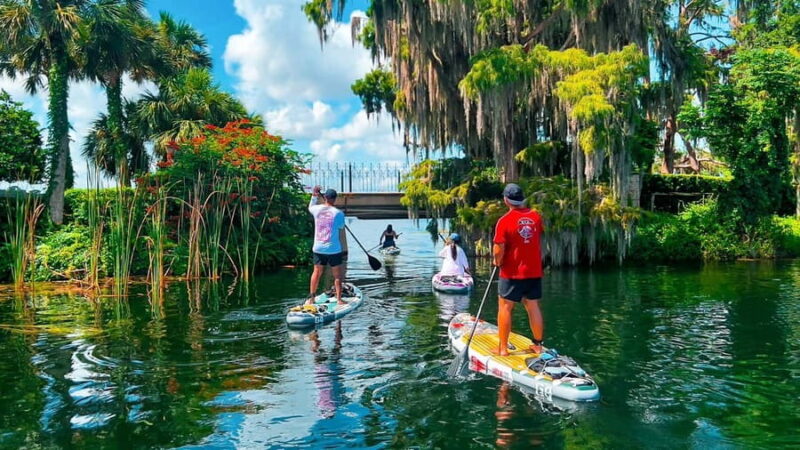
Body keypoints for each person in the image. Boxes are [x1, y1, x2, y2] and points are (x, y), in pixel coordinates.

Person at [492, 183, 545, 356]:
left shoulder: (504, 221)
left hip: (511, 272)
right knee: (533, 305)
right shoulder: (536, 216)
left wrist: (497, 261)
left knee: (505, 307)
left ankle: (503, 349)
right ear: (522, 199)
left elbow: (498, 248)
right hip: (534, 271)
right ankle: (538, 345)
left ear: (506, 200)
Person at [307, 186, 347, 306]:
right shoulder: (338, 213)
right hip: (333, 249)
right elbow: (340, 227)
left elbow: (310, 206)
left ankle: (312, 298)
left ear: (325, 197)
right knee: (337, 275)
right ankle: (339, 299)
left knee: (316, 272)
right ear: (335, 199)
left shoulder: (316, 210)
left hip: (318, 248)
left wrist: (314, 195)